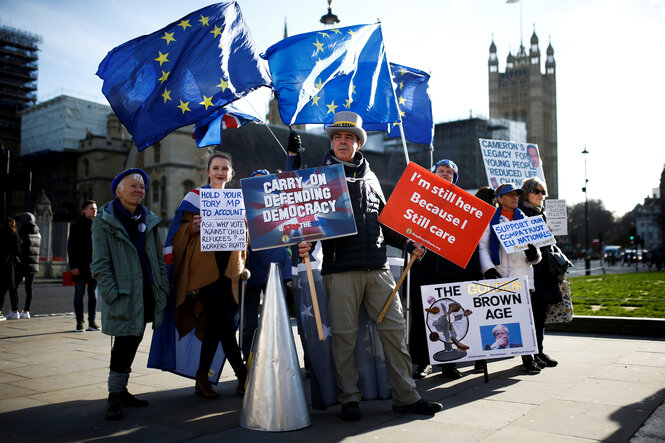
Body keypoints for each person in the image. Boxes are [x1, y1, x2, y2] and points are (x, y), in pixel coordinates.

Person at [297, 111, 442, 421]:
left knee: (394, 331)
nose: (342, 141)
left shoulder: (372, 178)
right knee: (346, 337)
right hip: (340, 270)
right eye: (337, 137)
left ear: (359, 143)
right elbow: (302, 223)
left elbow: (387, 224)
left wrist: (408, 243)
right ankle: (349, 398)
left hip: (377, 269)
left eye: (349, 137)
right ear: (331, 142)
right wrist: (302, 241)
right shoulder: (317, 177)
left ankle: (407, 396)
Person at [91, 168, 168, 421]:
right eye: (133, 186)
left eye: (142, 186)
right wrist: (111, 293)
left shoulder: (149, 219)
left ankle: (121, 389)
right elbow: (100, 263)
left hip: (146, 291)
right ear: (118, 191)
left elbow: (157, 258)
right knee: (123, 343)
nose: (139, 190)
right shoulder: (104, 220)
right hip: (123, 293)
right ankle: (114, 396)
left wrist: (162, 286)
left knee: (134, 340)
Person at [170, 152, 247, 399]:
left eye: (225, 168)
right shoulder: (195, 197)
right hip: (205, 270)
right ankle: (244, 376)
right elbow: (177, 234)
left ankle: (201, 378)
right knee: (225, 323)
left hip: (228, 270)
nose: (220, 172)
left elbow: (244, 238)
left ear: (230, 173)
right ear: (208, 171)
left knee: (215, 325)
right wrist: (192, 227)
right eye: (216, 168)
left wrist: (245, 229)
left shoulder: (237, 201)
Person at [407, 159, 482, 381]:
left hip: (452, 269)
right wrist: (412, 245)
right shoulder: (420, 198)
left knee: (451, 318)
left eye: (450, 172)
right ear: (433, 173)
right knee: (424, 316)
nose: (445, 174)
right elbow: (407, 226)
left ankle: (449, 364)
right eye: (441, 170)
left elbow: (471, 237)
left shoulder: (464, 204)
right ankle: (423, 361)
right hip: (424, 266)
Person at [479, 183, 542, 374]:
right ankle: (483, 358)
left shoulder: (526, 220)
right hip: (500, 275)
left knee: (525, 319)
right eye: (510, 195)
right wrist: (488, 268)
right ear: (499, 199)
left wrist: (534, 254)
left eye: (516, 195)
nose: (515, 198)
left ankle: (528, 358)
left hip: (522, 275)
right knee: (495, 317)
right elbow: (482, 247)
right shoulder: (491, 220)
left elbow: (537, 250)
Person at [242, 168, 292, 361]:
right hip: (250, 270)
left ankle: (280, 360)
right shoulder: (242, 208)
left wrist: (288, 272)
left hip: (275, 269)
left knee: (277, 320)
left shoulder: (281, 207)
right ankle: (248, 362)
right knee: (249, 323)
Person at [519, 177, 561, 368]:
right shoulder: (521, 214)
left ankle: (539, 350)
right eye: (536, 191)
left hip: (545, 271)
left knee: (541, 314)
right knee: (531, 314)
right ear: (526, 193)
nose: (541, 195)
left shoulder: (543, 213)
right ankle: (531, 354)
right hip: (532, 270)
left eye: (543, 192)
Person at [68, 200, 99, 332]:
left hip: (94, 266)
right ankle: (79, 322)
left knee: (93, 294)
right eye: (91, 208)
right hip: (80, 266)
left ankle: (92, 322)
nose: (94, 211)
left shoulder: (99, 225)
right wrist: (73, 266)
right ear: (84, 210)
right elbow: (71, 247)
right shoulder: (76, 225)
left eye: (95, 208)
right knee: (79, 294)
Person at [15, 212, 41, 319]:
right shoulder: (38, 233)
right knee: (29, 288)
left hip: (22, 263)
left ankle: (15, 309)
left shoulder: (22, 231)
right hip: (34, 264)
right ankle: (26, 311)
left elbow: (19, 248)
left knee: (14, 287)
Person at [0, 217, 21, 321]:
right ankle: (15, 311)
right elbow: (17, 251)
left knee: (2, 289)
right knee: (12, 289)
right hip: (10, 264)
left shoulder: (1, 233)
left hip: (2, 263)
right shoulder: (14, 234)